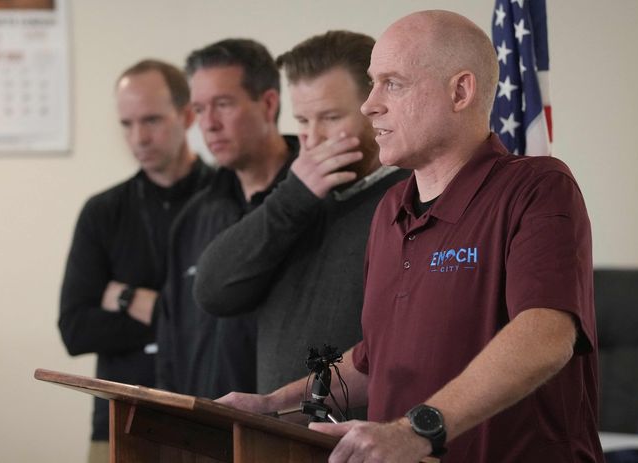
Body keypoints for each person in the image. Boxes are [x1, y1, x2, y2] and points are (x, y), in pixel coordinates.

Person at [216, 10, 605, 463]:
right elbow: (372, 359)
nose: (369, 104)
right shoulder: (389, 210)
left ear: (460, 91)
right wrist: (273, 405)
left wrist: (418, 430)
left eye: (392, 84)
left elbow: (546, 332)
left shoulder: (537, 187)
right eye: (371, 83)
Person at [193, 30, 409, 398]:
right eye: (303, 120)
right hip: (276, 440)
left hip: (358, 445)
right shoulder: (298, 198)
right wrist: (292, 198)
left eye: (329, 117)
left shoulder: (409, 197)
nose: (313, 138)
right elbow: (213, 291)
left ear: (376, 107)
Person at [58, 59, 213, 463]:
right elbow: (76, 329)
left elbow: (228, 325)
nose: (138, 137)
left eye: (151, 120)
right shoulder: (102, 211)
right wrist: (178, 318)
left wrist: (125, 297)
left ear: (187, 115)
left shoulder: (227, 198)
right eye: (127, 124)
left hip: (211, 420)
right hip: (118, 423)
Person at [155, 39, 298, 399]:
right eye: (200, 109)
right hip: (199, 434)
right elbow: (171, 343)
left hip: (283, 433)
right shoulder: (194, 216)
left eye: (223, 104)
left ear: (268, 104)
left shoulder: (317, 202)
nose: (209, 125)